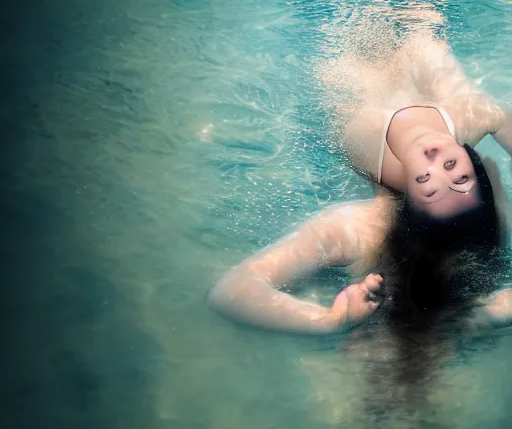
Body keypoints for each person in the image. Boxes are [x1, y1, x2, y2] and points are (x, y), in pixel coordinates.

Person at [208, 26, 512, 335]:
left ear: (409, 205)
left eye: (427, 183)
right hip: (421, 69)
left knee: (385, 36)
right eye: (457, 171)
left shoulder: (356, 227)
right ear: (472, 160)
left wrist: (329, 320)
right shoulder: (473, 119)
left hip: (363, 73)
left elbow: (232, 290)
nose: (435, 160)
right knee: (427, 37)